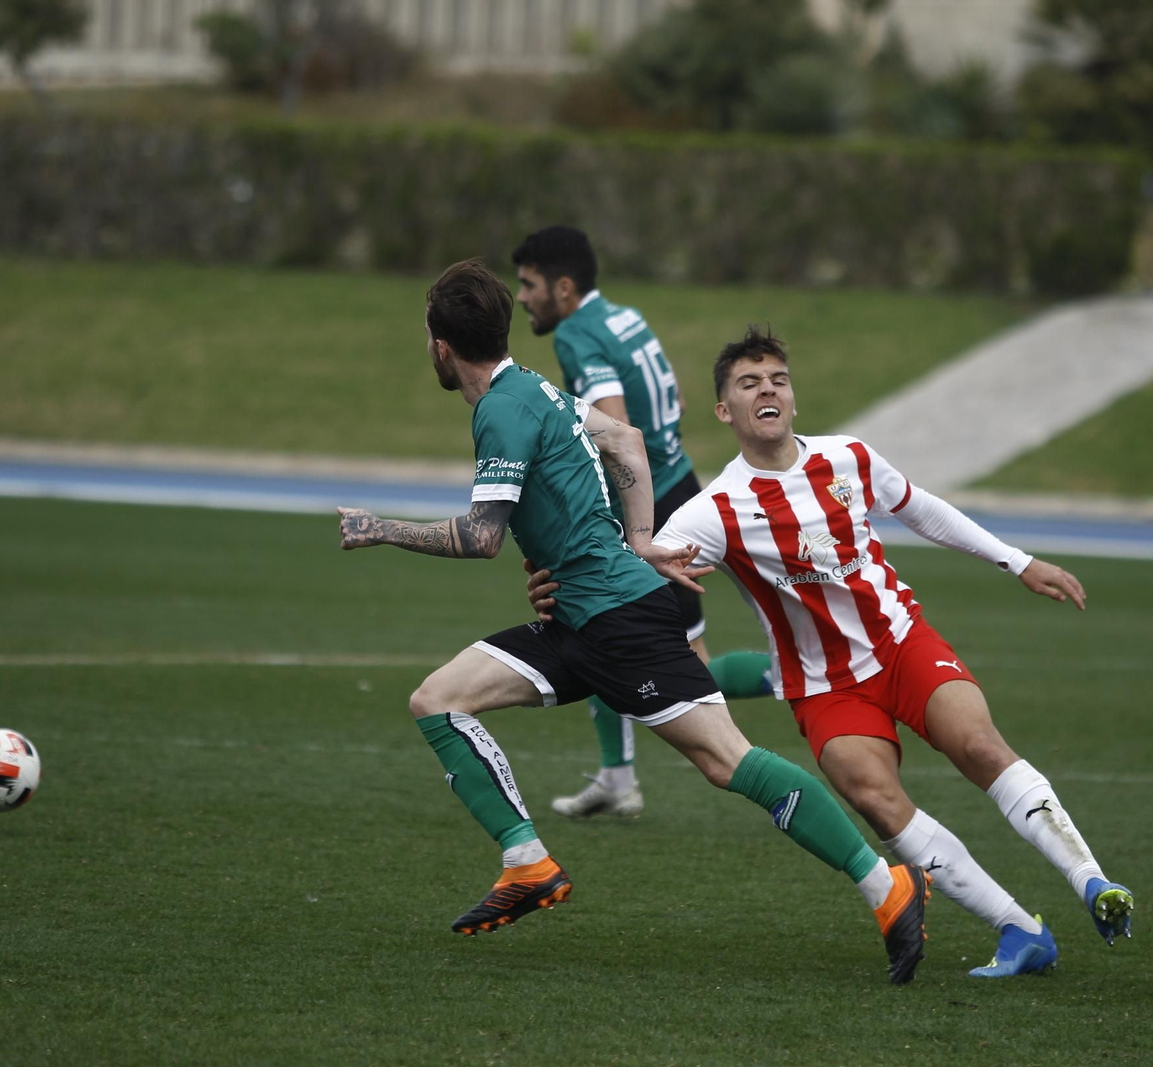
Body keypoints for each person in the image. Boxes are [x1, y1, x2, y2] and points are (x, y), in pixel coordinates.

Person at [335, 262, 932, 985]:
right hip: (578, 618)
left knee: (726, 760)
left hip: (618, 619)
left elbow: (483, 534)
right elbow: (624, 440)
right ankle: (527, 860)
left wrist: (380, 527)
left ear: (440, 346)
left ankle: (887, 884)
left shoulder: (499, 408)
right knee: (438, 699)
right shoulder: (534, 384)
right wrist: (638, 539)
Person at [526, 325, 1134, 978]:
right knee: (877, 798)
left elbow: (921, 508)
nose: (768, 389)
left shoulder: (850, 458)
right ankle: (1019, 929)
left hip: (901, 642)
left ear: (792, 398)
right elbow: (634, 568)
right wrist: (561, 584)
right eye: (749, 382)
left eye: (778, 379)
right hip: (822, 686)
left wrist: (1018, 561)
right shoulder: (717, 509)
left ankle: (1091, 880)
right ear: (725, 410)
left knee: (980, 744)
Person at [512, 225, 771, 820]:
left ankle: (819, 673)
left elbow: (615, 423)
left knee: (672, 663)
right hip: (677, 484)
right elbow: (667, 400)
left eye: (529, 285)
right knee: (597, 633)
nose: (522, 297)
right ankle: (617, 776)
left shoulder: (578, 334)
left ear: (564, 286)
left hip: (646, 504)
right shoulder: (625, 317)